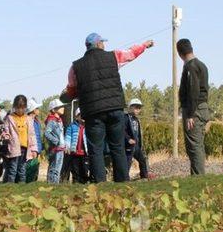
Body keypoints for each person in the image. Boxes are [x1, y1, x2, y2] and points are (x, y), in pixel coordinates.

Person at [61, 33, 154, 183]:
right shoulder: (113, 56)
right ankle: (122, 181)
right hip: (115, 109)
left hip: (93, 113)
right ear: (98, 44)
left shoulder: (75, 67)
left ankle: (100, 183)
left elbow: (71, 89)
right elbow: (131, 53)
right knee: (117, 147)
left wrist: (69, 94)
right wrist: (144, 45)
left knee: (96, 149)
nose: (104, 45)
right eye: (103, 42)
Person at [177, 38, 209, 175]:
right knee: (198, 144)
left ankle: (198, 178)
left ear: (179, 53)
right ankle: (198, 175)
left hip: (194, 110)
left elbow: (193, 91)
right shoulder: (201, 65)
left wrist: (190, 114)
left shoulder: (190, 67)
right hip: (202, 108)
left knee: (194, 145)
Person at [3, 95, 38, 184]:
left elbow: (32, 135)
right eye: (18, 108)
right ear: (14, 107)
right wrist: (6, 136)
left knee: (22, 168)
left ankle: (22, 184)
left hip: (25, 148)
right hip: (14, 147)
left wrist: (34, 149)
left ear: (25, 107)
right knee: (13, 168)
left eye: (22, 108)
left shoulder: (29, 119)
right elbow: (5, 130)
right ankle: (10, 185)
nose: (20, 110)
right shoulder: (10, 118)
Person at [124, 98, 153, 180]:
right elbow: (122, 130)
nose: (138, 110)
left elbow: (138, 133)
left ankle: (144, 176)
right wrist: (128, 139)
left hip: (136, 145)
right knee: (127, 162)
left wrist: (140, 143)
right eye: (136, 107)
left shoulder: (136, 119)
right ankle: (125, 178)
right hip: (129, 145)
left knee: (142, 159)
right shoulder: (125, 118)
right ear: (130, 107)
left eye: (139, 108)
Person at [44, 99, 67, 184]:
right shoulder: (52, 120)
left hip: (60, 148)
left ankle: (53, 184)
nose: (63, 108)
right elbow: (47, 133)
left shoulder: (59, 120)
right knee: (55, 168)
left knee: (56, 168)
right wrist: (56, 141)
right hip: (56, 148)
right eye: (60, 107)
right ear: (54, 110)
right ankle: (53, 185)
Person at [65, 108, 89, 184]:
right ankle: (76, 183)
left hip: (84, 153)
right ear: (76, 117)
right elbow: (68, 137)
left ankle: (84, 183)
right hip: (74, 153)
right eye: (80, 115)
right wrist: (67, 146)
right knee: (75, 170)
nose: (82, 117)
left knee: (84, 170)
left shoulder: (88, 127)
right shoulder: (72, 126)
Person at [25, 99, 42, 183]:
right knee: (30, 168)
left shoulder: (36, 121)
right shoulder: (28, 120)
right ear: (33, 110)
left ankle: (33, 183)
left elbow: (38, 136)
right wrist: (33, 149)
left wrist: (39, 149)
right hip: (31, 150)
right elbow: (31, 136)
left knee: (35, 168)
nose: (38, 110)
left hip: (37, 149)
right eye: (37, 108)